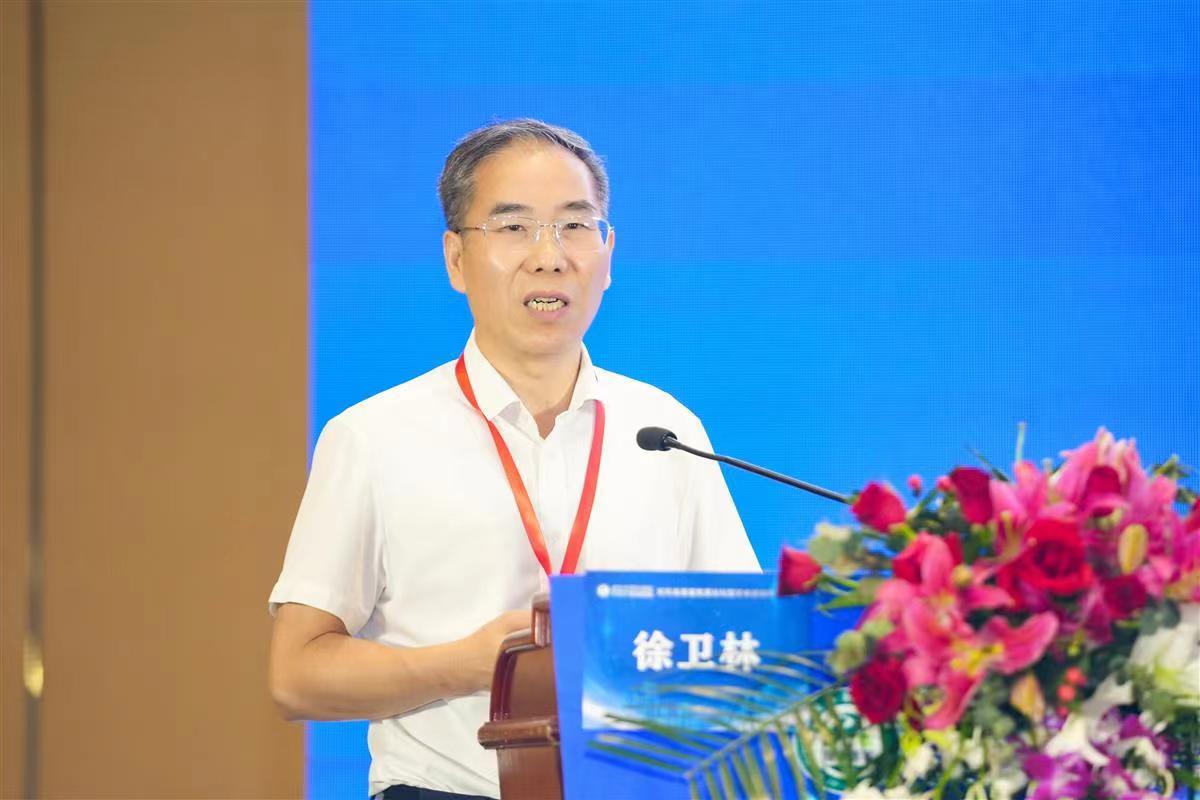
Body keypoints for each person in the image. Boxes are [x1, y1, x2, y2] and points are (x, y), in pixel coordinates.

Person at [267, 119, 760, 800]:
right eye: (514, 227)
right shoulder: (374, 436)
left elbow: (742, 649)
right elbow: (296, 676)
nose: (549, 256)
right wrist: (471, 665)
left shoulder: (666, 431)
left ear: (608, 253)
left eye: (574, 226)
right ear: (456, 259)